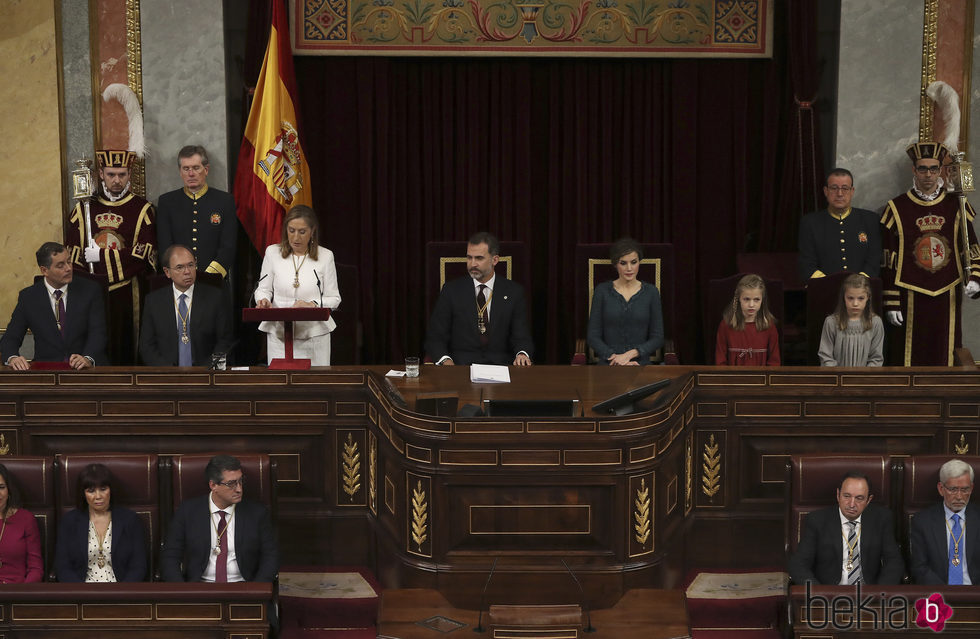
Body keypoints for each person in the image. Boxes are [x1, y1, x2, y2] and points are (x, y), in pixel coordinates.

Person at [881, 141, 980, 366]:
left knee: (945, 351)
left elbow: (971, 247)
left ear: (941, 171)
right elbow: (888, 260)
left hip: (948, 293)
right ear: (914, 170)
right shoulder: (896, 208)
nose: (928, 174)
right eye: (923, 168)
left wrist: (975, 278)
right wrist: (892, 302)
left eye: (934, 168)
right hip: (909, 294)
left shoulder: (957, 204)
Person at [65, 149, 155, 365]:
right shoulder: (83, 209)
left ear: (129, 175)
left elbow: (144, 252)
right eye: (111, 174)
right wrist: (89, 271)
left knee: (127, 347)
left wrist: (102, 256)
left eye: (122, 174)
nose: (116, 180)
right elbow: (71, 252)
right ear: (101, 174)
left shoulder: (143, 209)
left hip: (127, 290)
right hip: (91, 290)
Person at [161, 454, 278, 582]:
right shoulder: (187, 512)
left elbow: (271, 556)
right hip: (199, 588)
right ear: (213, 485)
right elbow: (170, 556)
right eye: (231, 484)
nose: (239, 489)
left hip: (244, 587)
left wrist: (256, 591)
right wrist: (182, 593)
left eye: (240, 481)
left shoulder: (257, 513)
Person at [425, 232, 534, 366]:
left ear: (495, 260)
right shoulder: (451, 291)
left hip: (501, 367)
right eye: (469, 258)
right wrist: (445, 360)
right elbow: (435, 337)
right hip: (460, 367)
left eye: (479, 258)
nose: (473, 264)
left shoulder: (514, 292)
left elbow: (521, 336)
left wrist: (522, 353)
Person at [253, 205, 341, 366]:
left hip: (314, 336)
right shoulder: (272, 253)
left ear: (312, 231)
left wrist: (312, 304)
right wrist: (263, 300)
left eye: (302, 232)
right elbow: (263, 289)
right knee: (282, 387)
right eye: (291, 230)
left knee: (313, 386)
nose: (295, 238)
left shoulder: (325, 256)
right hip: (279, 336)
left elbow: (334, 299)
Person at [1, 242, 108, 370]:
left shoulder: (90, 290)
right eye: (60, 265)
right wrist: (13, 358)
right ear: (44, 270)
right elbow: (10, 338)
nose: (68, 268)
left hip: (84, 369)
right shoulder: (28, 297)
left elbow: (98, 333)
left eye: (69, 262)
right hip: (46, 370)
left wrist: (87, 358)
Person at [788, 472, 904, 586]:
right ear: (838, 495)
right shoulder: (817, 520)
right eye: (847, 496)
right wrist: (819, 594)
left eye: (859, 498)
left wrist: (880, 594)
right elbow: (799, 564)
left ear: (868, 500)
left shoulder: (882, 519)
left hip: (869, 593)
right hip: (828, 594)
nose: (852, 504)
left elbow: (894, 561)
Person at [139, 244, 234, 366]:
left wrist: (206, 371)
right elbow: (146, 347)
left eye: (191, 265)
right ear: (167, 272)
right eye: (180, 267)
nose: (187, 272)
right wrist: (168, 373)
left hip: (206, 375)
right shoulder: (153, 301)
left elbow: (225, 341)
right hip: (167, 376)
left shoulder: (215, 298)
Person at [54, 463, 147, 582]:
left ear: (111, 490)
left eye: (103, 489)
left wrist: (122, 593)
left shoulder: (130, 520)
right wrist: (80, 593)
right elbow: (63, 567)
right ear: (83, 494)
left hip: (121, 592)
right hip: (81, 592)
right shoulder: (69, 521)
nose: (98, 496)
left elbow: (138, 566)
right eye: (91, 491)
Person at [156, 145, 238, 280]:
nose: (191, 173)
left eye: (196, 168)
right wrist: (181, 275)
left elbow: (228, 247)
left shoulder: (224, 201)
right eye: (186, 168)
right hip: (178, 282)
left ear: (206, 170)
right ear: (180, 171)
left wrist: (208, 276)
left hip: (213, 281)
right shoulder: (167, 202)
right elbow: (165, 246)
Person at [586, 238, 664, 365]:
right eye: (623, 263)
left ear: (639, 262)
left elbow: (658, 338)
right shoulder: (602, 291)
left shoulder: (651, 292)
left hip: (640, 365)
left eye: (633, 262)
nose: (629, 268)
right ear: (615, 264)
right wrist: (615, 358)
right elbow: (593, 337)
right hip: (609, 364)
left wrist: (630, 355)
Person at [798, 169, 881, 281]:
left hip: (862, 291)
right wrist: (829, 284)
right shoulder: (810, 223)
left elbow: (874, 259)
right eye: (834, 188)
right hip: (824, 290)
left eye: (845, 188)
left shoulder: (870, 220)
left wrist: (858, 284)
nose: (840, 194)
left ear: (852, 191)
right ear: (825, 191)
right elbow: (807, 263)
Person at [910, 459, 980, 585]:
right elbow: (919, 567)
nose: (959, 496)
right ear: (941, 489)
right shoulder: (922, 521)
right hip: (938, 593)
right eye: (953, 489)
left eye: (965, 489)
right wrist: (946, 593)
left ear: (972, 488)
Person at [817, 273, 884, 367]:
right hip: (837, 378)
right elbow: (826, 357)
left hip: (865, 379)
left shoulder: (876, 323)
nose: (855, 303)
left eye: (861, 298)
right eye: (850, 298)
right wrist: (840, 377)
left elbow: (876, 359)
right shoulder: (831, 322)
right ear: (844, 298)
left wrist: (863, 378)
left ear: (868, 297)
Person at [714, 274, 780, 366]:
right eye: (746, 299)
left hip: (761, 379)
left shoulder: (769, 326)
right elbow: (720, 362)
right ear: (738, 299)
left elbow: (774, 362)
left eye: (756, 299)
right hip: (733, 379)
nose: (751, 304)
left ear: (762, 300)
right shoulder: (726, 325)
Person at [0, 463, 43, 584]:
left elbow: (36, 568)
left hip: (16, 593)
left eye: (1, 487)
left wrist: (22, 593)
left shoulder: (26, 519)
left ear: (8, 490)